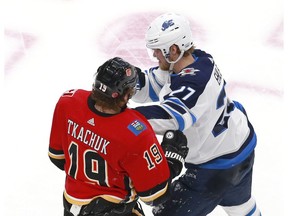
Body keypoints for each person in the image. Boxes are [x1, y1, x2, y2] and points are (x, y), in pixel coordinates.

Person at [132, 12, 261, 216]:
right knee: (241, 207)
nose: (155, 56)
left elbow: (171, 117)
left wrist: (122, 118)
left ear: (173, 50)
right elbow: (154, 84)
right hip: (240, 146)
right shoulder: (198, 59)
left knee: (164, 213)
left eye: (157, 51)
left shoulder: (194, 82)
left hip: (215, 169)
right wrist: (127, 81)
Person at [48, 57, 189, 216]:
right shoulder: (136, 131)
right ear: (126, 95)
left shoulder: (68, 102)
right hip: (113, 210)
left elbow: (57, 158)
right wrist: (171, 160)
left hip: (71, 207)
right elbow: (155, 195)